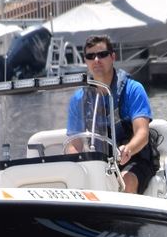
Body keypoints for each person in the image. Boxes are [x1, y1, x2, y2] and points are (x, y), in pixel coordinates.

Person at [65, 33, 156, 195]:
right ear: (85, 60)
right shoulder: (79, 99)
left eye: (102, 54)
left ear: (113, 57)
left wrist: (128, 149)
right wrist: (75, 163)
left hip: (134, 159)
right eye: (90, 56)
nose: (96, 60)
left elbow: (142, 133)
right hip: (97, 163)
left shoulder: (133, 89)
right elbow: (74, 143)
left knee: (125, 182)